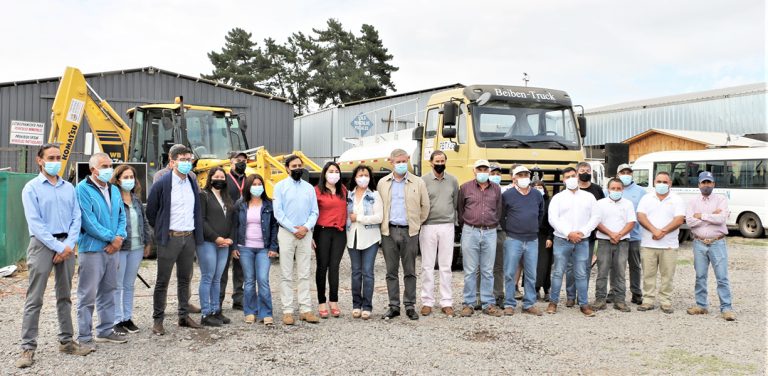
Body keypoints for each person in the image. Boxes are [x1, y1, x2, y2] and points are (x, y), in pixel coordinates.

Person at [17, 144, 91, 369]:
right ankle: (27, 348)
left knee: (64, 296)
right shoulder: (31, 188)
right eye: (51, 157)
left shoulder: (69, 188)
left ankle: (67, 341)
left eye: (59, 157)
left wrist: (68, 245)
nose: (56, 161)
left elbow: (76, 218)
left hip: (66, 245)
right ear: (40, 160)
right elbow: (35, 223)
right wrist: (57, 247)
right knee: (34, 298)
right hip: (42, 245)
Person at [146, 145, 204, 335]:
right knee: (162, 281)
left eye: (189, 159)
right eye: (182, 159)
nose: (187, 163)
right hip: (170, 238)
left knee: (184, 280)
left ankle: (183, 316)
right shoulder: (162, 184)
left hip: (188, 238)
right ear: (172, 162)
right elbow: (151, 212)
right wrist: (163, 230)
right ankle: (158, 320)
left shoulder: (192, 183)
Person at [76, 152, 128, 346]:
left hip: (113, 249)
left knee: (108, 290)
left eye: (110, 165)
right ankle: (84, 336)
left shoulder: (114, 189)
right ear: (93, 170)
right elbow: (88, 221)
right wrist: (111, 238)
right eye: (104, 166)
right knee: (87, 294)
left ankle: (105, 330)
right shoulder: (82, 189)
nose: (109, 169)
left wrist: (120, 237)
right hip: (92, 249)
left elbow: (121, 215)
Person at [377, 148, 430, 320]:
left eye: (403, 161)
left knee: (410, 270)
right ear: (391, 162)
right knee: (391, 271)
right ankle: (393, 306)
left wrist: (415, 224)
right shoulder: (383, 183)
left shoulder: (418, 182)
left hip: (410, 231)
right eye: (397, 161)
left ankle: (409, 305)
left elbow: (425, 206)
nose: (401, 164)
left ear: (407, 160)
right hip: (389, 231)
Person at [273, 155, 320, 325]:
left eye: (300, 165)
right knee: (286, 273)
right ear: (287, 168)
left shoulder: (309, 188)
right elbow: (278, 212)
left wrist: (306, 228)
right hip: (287, 233)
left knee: (304, 272)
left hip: (305, 233)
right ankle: (287, 311)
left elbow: (314, 211)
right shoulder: (279, 187)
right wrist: (294, 229)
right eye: (294, 166)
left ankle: (305, 309)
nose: (297, 168)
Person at [546, 167, 599, 317]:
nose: (571, 178)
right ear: (563, 180)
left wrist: (582, 232)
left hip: (582, 240)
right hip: (562, 240)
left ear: (577, 176)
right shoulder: (558, 197)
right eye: (567, 176)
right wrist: (568, 233)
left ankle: (584, 304)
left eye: (573, 175)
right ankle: (553, 302)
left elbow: (595, 217)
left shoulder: (589, 197)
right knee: (558, 272)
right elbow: (553, 218)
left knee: (581, 273)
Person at [685, 172, 736, 321]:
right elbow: (689, 221)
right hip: (699, 242)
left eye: (709, 182)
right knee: (700, 276)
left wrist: (701, 215)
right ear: (698, 185)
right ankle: (701, 306)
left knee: (722, 277)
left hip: (717, 242)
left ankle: (726, 308)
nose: (706, 185)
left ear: (713, 184)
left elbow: (721, 219)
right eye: (703, 183)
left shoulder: (721, 199)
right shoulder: (692, 202)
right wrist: (711, 215)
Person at [458, 159, 503, 317]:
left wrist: (490, 224)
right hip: (470, 231)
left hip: (490, 232)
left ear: (489, 171)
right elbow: (460, 210)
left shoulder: (496, 189)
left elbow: (498, 210)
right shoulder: (465, 188)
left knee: (487, 270)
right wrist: (469, 225)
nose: (482, 172)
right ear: (474, 171)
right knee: (470, 270)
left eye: (485, 169)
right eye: (480, 169)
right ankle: (468, 303)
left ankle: (487, 303)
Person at [636, 171, 685, 314]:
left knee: (667, 275)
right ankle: (648, 300)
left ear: (670, 183)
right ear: (654, 183)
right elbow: (641, 216)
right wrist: (654, 230)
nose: (662, 184)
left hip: (669, 245)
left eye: (665, 182)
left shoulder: (677, 199)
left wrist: (662, 232)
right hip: (648, 244)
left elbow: (679, 219)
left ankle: (666, 302)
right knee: (648, 275)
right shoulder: (646, 198)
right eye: (659, 181)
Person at [232, 174, 279, 325]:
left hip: (263, 249)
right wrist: (234, 247)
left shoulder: (268, 205)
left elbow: (273, 227)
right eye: (254, 184)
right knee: (249, 281)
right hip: (245, 248)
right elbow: (235, 226)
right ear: (248, 187)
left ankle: (266, 312)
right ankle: (250, 311)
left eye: (260, 184)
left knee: (263, 280)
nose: (257, 187)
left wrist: (273, 247)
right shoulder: (240, 204)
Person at [111, 165, 151, 334]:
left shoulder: (136, 199)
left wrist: (147, 242)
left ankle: (127, 317)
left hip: (137, 247)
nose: (129, 180)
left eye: (131, 177)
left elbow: (145, 222)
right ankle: (116, 319)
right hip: (121, 248)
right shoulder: (114, 199)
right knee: (118, 285)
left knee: (129, 284)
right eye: (125, 177)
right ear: (118, 179)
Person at [501, 166, 545, 316]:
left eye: (526, 174)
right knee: (509, 272)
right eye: (520, 174)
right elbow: (501, 215)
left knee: (531, 273)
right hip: (514, 239)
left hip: (532, 239)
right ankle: (509, 303)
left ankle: (529, 303)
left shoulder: (537, 194)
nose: (524, 177)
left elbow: (541, 212)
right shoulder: (507, 195)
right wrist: (510, 229)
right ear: (513, 178)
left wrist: (534, 227)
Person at [419, 151, 459, 317]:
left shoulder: (453, 180)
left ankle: (446, 301)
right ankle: (427, 301)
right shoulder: (423, 181)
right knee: (427, 266)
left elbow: (455, 202)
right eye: (437, 161)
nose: (440, 163)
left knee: (445, 266)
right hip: (428, 226)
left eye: (442, 160)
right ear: (431, 162)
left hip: (447, 226)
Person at [198, 167, 237, 326]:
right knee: (208, 277)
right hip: (209, 242)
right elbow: (201, 220)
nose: (219, 179)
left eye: (222, 177)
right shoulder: (203, 195)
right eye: (216, 176)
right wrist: (216, 238)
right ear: (210, 178)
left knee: (218, 278)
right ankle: (205, 314)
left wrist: (230, 239)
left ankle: (216, 310)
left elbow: (233, 222)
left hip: (225, 244)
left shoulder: (227, 198)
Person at [592, 178, 636, 312]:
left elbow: (631, 222)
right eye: (613, 188)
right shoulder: (600, 203)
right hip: (604, 241)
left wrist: (619, 235)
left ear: (622, 190)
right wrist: (611, 234)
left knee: (620, 272)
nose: (616, 191)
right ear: (608, 189)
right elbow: (597, 222)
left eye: (618, 189)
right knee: (602, 271)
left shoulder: (628, 204)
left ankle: (620, 300)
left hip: (622, 242)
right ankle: (600, 299)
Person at [565, 162, 605, 305]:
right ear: (576, 173)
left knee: (585, 267)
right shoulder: (570, 190)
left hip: (588, 236)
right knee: (570, 267)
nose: (585, 172)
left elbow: (599, 212)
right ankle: (570, 296)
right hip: (570, 236)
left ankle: (583, 296)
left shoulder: (597, 190)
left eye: (588, 170)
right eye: (582, 170)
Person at [346, 165, 383, 320]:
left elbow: (379, 217)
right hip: (352, 237)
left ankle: (367, 306)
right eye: (360, 175)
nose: (363, 178)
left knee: (367, 272)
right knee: (355, 272)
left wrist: (359, 218)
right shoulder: (349, 195)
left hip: (370, 238)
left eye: (366, 175)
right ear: (355, 177)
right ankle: (356, 304)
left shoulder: (375, 194)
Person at [313, 161, 348, 318]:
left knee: (334, 267)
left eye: (336, 171)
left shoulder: (343, 190)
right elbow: (312, 213)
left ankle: (333, 301)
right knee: (322, 267)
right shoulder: (317, 191)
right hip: (322, 232)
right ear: (325, 174)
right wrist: (311, 236)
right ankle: (321, 302)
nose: (334, 174)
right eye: (331, 171)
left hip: (339, 233)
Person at [616, 163, 646, 305]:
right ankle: (614, 292)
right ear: (618, 174)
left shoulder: (641, 191)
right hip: (616, 236)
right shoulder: (610, 189)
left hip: (634, 236)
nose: (626, 175)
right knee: (615, 266)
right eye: (623, 172)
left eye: (628, 172)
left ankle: (636, 292)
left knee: (634, 265)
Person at [221, 151, 248, 311]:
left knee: (240, 267)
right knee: (223, 267)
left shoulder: (250, 180)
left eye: (244, 160)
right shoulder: (223, 179)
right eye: (238, 160)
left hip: (244, 229)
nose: (241, 162)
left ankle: (239, 298)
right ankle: (218, 300)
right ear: (230, 162)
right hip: (226, 227)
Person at [532, 179, 554, 301]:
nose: (538, 188)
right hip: (531, 235)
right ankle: (534, 289)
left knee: (545, 264)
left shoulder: (549, 202)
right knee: (531, 264)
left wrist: (550, 237)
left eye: (540, 186)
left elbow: (552, 221)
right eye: (535, 186)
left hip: (545, 236)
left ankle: (546, 289)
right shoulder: (528, 201)